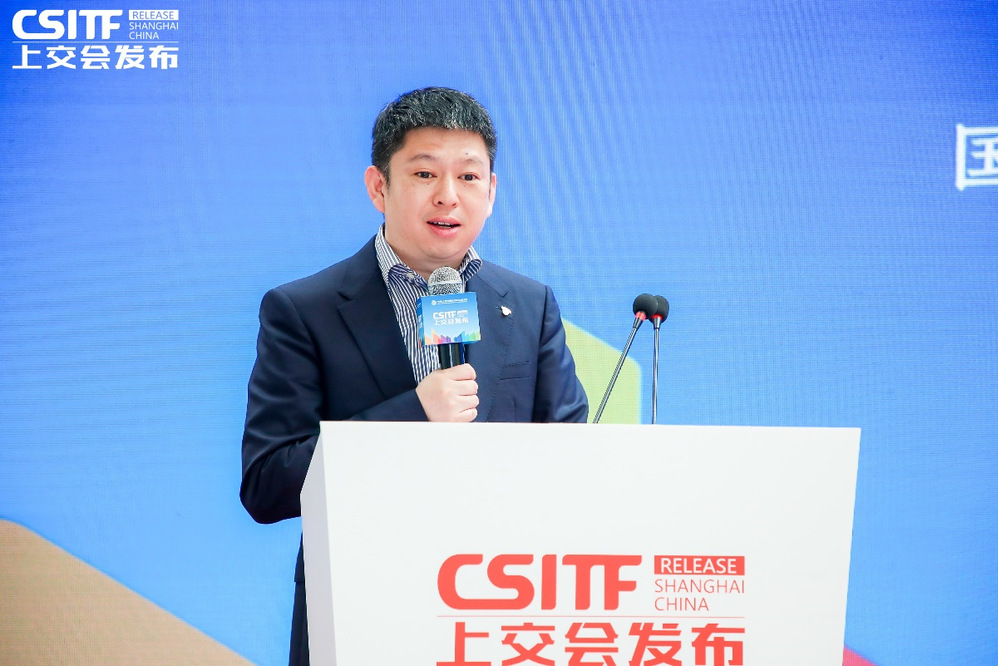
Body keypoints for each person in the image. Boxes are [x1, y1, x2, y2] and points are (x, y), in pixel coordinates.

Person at [239, 87, 588, 665]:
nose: (448, 195)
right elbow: (267, 483)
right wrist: (413, 412)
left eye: (469, 177)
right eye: (425, 173)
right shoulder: (305, 310)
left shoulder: (529, 306)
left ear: (492, 191)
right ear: (379, 187)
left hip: (500, 608)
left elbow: (573, 464)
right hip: (362, 612)